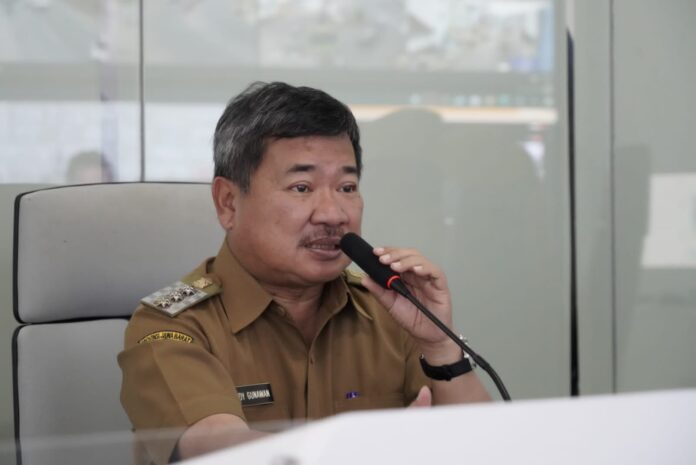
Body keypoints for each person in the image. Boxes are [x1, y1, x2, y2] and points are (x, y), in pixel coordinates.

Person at [118, 82, 490, 465]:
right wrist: (381, 450)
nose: (333, 214)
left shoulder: (390, 311)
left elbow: (487, 447)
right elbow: (218, 445)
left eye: (347, 187)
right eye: (301, 187)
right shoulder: (172, 326)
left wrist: (439, 345)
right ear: (228, 202)